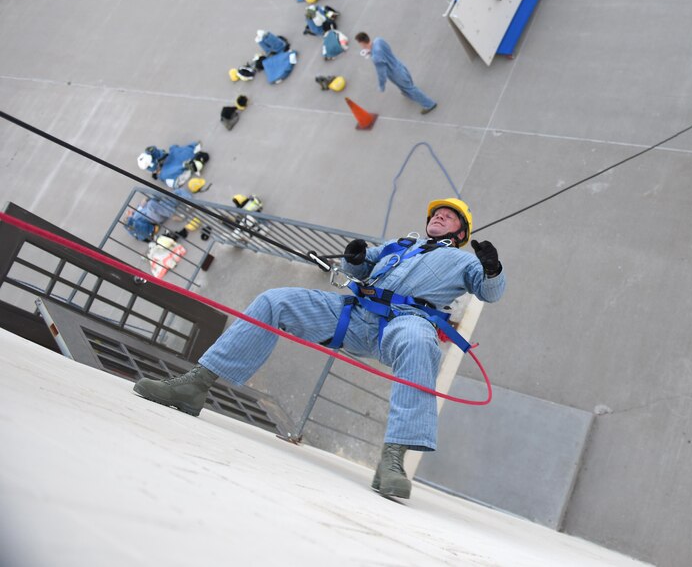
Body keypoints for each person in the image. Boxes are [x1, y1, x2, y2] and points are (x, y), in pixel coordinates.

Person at [133, 198, 506, 500]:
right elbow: (360, 271)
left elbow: (490, 292)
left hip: (407, 323)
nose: (439, 217)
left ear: (461, 232)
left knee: (419, 343)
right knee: (274, 301)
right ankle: (195, 385)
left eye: (449, 217)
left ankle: (393, 460)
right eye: (436, 214)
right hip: (356, 316)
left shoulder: (463, 262)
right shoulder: (401, 246)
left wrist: (492, 270)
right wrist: (356, 259)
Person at [355, 32, 437, 114]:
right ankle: (407, 93)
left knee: (410, 88)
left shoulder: (376, 57)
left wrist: (381, 86)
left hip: (395, 74)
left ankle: (429, 104)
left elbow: (381, 73)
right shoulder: (379, 40)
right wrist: (372, 52)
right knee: (407, 81)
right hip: (399, 64)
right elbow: (384, 50)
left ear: (362, 43)